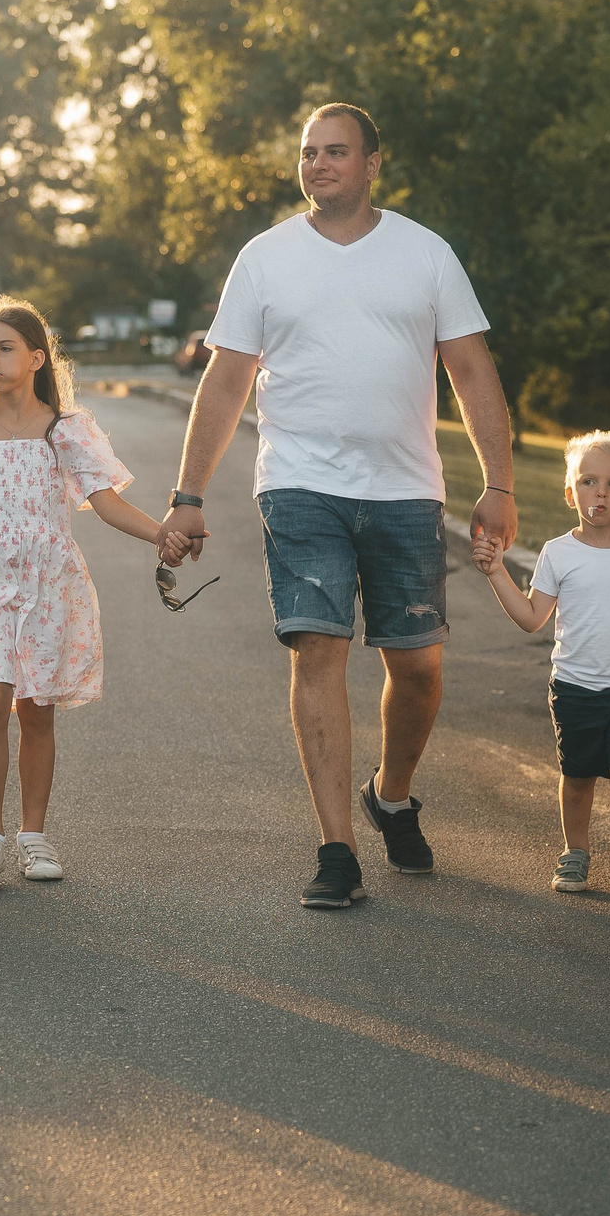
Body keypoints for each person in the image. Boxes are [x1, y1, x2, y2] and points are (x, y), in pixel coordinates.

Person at [158, 103, 517, 908]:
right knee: (316, 649)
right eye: (308, 153)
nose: (318, 165)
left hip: (406, 490)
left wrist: (499, 482)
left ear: (372, 162)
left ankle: (389, 794)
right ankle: (336, 849)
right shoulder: (265, 258)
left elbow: (471, 368)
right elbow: (224, 382)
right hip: (300, 485)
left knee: (417, 667)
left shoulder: (425, 254)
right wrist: (188, 495)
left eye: (335, 152)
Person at [0, 298, 190, 888]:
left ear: (35, 358)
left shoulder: (67, 431)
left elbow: (106, 502)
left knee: (38, 708)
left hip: (51, 580)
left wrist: (162, 534)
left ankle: (34, 836)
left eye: (4, 349)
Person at [472, 431, 610, 905]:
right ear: (571, 493)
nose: (601, 492)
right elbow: (531, 618)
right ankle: (576, 852)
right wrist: (496, 572)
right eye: (589, 481)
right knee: (579, 776)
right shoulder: (558, 553)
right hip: (574, 689)